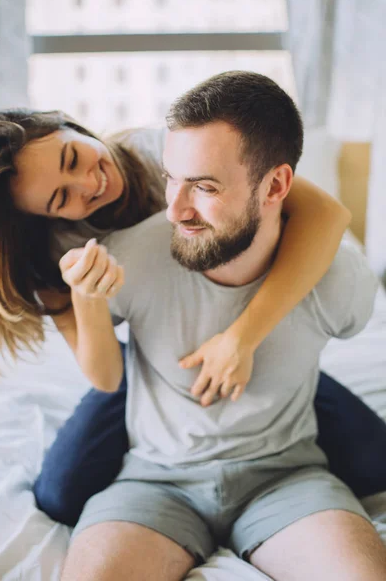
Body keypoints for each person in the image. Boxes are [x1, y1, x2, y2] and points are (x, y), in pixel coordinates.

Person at [40, 71, 386, 580]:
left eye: (204, 187)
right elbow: (105, 376)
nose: (175, 209)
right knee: (58, 491)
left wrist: (243, 336)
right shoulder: (124, 255)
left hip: (287, 476)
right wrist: (84, 297)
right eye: (171, 180)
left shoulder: (336, 278)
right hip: (154, 483)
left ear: (276, 186)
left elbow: (328, 215)